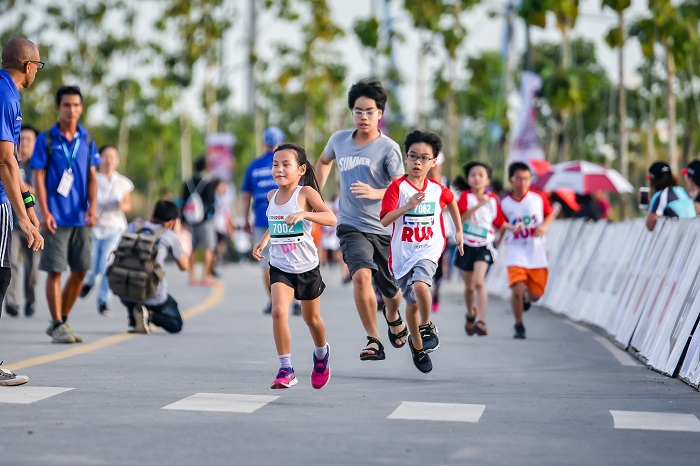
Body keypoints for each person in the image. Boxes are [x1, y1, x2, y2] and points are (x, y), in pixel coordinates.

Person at [316, 79, 407, 361]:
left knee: (392, 292)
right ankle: (374, 339)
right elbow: (322, 162)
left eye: (369, 111)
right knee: (361, 276)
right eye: (358, 111)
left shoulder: (389, 148)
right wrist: (315, 196)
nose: (363, 116)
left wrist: (375, 192)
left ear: (380, 113)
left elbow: (402, 188)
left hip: (383, 227)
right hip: (350, 225)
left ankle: (392, 315)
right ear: (351, 112)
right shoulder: (339, 140)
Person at [252, 143, 336, 389]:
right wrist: (264, 240)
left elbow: (331, 218)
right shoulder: (271, 196)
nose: (279, 169)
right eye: (275, 165)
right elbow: (275, 222)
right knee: (278, 311)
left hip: (307, 267)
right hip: (280, 267)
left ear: (300, 170)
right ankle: (286, 368)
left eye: (285, 164)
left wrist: (305, 214)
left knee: (312, 319)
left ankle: (321, 354)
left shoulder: (306, 193)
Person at [380, 130, 463, 373]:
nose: (418, 162)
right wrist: (407, 206)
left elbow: (452, 201)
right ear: (406, 158)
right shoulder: (397, 188)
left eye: (424, 158)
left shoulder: (437, 189)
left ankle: (427, 327)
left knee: (421, 286)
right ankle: (417, 347)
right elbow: (385, 220)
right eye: (413, 156)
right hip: (402, 254)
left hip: (428, 248)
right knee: (412, 304)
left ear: (434, 161)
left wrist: (459, 232)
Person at [31, 85, 100, 344]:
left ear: (81, 108)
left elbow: (93, 176)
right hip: (55, 217)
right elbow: (38, 176)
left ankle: (61, 319)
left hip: (81, 217)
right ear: (57, 108)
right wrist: (44, 211)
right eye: (66, 105)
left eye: (76, 105)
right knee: (55, 271)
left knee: (82, 270)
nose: (71, 110)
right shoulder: (47, 140)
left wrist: (92, 207)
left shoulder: (87, 139)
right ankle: (59, 323)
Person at [0, 38, 45, 386]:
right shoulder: (7, 94)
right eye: (38, 65)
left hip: (8, 195)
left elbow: (16, 168)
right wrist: (25, 221)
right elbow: (5, 161)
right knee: (1, 276)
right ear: (28, 66)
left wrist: (29, 211)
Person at [500, 162, 556, 339]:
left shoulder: (538, 198)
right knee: (516, 290)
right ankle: (518, 325)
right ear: (511, 180)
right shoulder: (505, 202)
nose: (523, 183)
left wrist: (545, 226)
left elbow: (549, 214)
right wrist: (510, 228)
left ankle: (525, 296)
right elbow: (500, 223)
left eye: (526, 179)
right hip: (515, 250)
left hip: (536, 253)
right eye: (518, 179)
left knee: (536, 295)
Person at [453, 161, 508, 337]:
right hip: (466, 245)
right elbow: (460, 219)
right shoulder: (465, 197)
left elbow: (499, 222)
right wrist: (477, 205)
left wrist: (512, 227)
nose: (476, 178)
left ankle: (482, 321)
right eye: (472, 175)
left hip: (484, 245)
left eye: (480, 175)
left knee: (479, 282)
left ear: (488, 180)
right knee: (469, 287)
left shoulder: (493, 200)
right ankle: (470, 313)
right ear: (468, 179)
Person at [121, 200, 190, 334]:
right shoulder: (169, 236)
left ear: (152, 214)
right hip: (153, 295)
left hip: (124, 290)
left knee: (132, 277)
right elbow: (184, 266)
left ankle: (133, 316)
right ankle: (148, 315)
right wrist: (178, 234)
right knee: (176, 324)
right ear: (172, 222)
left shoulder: (132, 227)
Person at [79, 145, 133, 316]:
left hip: (114, 228)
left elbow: (128, 205)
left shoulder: (122, 182)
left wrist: (119, 205)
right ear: (99, 158)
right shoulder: (92, 178)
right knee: (93, 263)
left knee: (106, 264)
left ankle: (103, 301)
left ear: (117, 160)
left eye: (113, 157)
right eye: (106, 156)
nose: (109, 161)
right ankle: (88, 282)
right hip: (94, 228)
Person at [242, 126, 285, 314]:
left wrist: (245, 219)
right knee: (291, 258)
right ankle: (297, 302)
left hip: (261, 216)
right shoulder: (285, 163)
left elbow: (246, 196)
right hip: (286, 216)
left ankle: (274, 302)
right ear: (280, 143)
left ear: (263, 143)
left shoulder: (254, 166)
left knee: (266, 262)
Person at [6, 124, 41, 318]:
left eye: (29, 139)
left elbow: (43, 194)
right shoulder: (7, 160)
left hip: (34, 224)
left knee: (33, 266)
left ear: (35, 143)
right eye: (21, 139)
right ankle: (12, 301)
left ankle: (31, 300)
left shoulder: (39, 166)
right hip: (12, 221)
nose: (24, 143)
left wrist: (21, 185)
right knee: (11, 261)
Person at [426, 152, 456, 312]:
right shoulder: (420, 182)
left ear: (441, 166)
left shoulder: (447, 184)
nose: (433, 168)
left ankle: (436, 291)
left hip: (442, 231)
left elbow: (453, 207)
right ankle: (422, 292)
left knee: (438, 265)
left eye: (436, 165)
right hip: (423, 230)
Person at [181, 157, 217, 286]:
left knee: (192, 248)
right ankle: (205, 276)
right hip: (204, 221)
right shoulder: (207, 183)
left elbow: (183, 201)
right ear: (205, 167)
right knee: (209, 247)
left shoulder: (188, 182)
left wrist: (183, 219)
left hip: (190, 220)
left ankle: (192, 276)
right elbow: (212, 202)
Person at [645, 161, 696, 231]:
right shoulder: (683, 191)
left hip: (678, 236)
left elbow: (650, 226)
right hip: (694, 235)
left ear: (653, 180)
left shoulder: (660, 195)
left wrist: (650, 209)